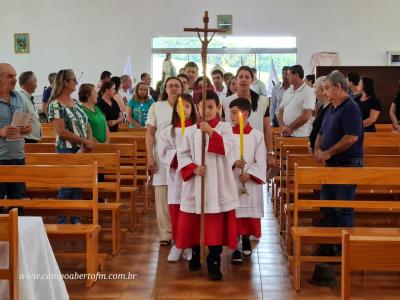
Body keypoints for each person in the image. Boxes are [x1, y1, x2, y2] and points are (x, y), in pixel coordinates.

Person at [176, 90, 239, 281]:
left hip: (218, 185)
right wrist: (193, 168)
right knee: (195, 224)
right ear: (197, 108)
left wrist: (210, 132)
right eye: (203, 107)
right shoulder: (191, 131)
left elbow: (228, 149)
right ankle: (196, 255)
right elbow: (182, 154)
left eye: (211, 107)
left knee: (214, 227)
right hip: (197, 184)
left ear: (219, 108)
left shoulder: (225, 128)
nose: (208, 110)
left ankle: (214, 261)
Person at [313, 70, 363, 256]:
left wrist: (328, 152)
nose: (324, 92)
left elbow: (351, 138)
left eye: (327, 88)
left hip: (347, 165)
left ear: (338, 87)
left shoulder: (350, 107)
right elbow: (321, 133)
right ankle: (328, 249)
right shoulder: (332, 108)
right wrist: (318, 150)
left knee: (342, 209)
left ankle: (344, 252)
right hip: (332, 166)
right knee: (327, 207)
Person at [47, 69, 94, 224]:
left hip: (82, 147)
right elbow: (61, 131)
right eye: (74, 80)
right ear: (65, 83)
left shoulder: (75, 103)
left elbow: (86, 123)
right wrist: (83, 141)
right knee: (67, 185)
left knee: (78, 185)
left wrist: (88, 141)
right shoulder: (55, 104)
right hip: (66, 148)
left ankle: (75, 218)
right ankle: (61, 221)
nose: (76, 82)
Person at [159, 93, 197, 262]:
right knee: (176, 212)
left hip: (192, 177)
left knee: (190, 213)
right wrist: (179, 158)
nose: (184, 110)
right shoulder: (168, 130)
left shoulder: (197, 129)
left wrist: (189, 162)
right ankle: (177, 244)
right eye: (180, 107)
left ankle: (187, 245)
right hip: (175, 177)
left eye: (187, 106)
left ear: (192, 109)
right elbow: (163, 151)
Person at [146, 76, 183, 246]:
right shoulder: (156, 106)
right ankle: (165, 233)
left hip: (182, 156)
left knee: (182, 195)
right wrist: (150, 156)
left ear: (182, 88)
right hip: (161, 157)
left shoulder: (187, 106)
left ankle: (181, 232)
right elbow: (150, 133)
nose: (174, 88)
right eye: (170, 86)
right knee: (162, 195)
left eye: (177, 85)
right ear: (165, 89)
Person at [229, 98, 266, 264]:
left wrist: (250, 174)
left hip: (248, 182)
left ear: (245, 114)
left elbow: (261, 159)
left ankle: (245, 239)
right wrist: (232, 163)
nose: (230, 115)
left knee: (247, 213)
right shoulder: (227, 134)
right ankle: (234, 246)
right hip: (231, 180)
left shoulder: (257, 135)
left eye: (233, 112)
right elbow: (222, 156)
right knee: (233, 213)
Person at [223, 66, 274, 167]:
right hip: (233, 151)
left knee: (253, 179)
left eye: (247, 77)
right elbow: (223, 128)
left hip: (256, 150)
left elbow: (267, 128)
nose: (243, 79)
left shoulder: (262, 101)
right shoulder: (226, 102)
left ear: (252, 80)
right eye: (240, 77)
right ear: (236, 79)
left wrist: (270, 153)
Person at [0, 63, 32, 202]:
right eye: (9, 76)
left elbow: (27, 120)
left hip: (18, 157)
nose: (14, 79)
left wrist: (28, 128)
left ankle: (18, 224)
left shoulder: (19, 97)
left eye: (15, 76)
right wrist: (0, 131)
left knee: (18, 201)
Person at [278, 65, 315, 137]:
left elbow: (306, 116)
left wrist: (290, 128)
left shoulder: (309, 91)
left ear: (296, 75)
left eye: (289, 75)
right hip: (285, 134)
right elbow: (280, 111)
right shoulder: (288, 91)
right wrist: (282, 127)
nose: (286, 77)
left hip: (300, 136)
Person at [309, 76, 331, 152]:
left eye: (316, 89)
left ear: (322, 90)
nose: (314, 92)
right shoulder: (322, 107)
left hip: (322, 150)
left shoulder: (330, 108)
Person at [18, 71, 41, 143]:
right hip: (27, 139)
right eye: (35, 82)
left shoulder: (27, 97)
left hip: (31, 139)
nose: (36, 85)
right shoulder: (21, 98)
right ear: (29, 83)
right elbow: (19, 124)